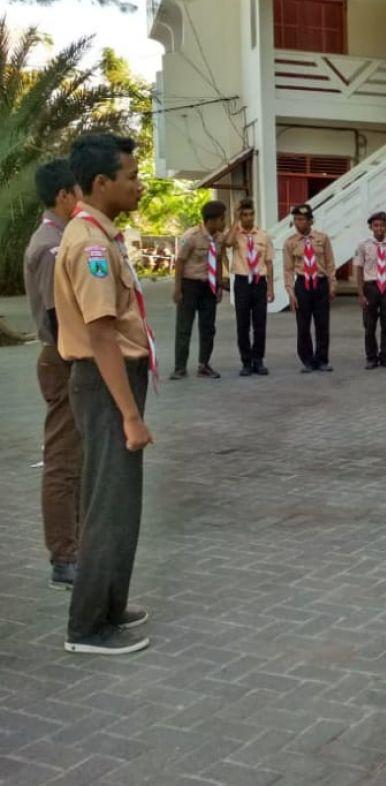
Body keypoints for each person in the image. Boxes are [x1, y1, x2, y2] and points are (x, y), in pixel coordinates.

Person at [54, 133, 155, 655]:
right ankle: (88, 627)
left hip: (109, 381)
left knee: (120, 502)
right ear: (101, 183)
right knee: (107, 504)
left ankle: (111, 605)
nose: (139, 185)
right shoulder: (91, 245)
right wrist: (130, 415)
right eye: (131, 177)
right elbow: (100, 335)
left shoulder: (100, 234)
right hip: (105, 382)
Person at [23, 159, 83, 590]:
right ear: (64, 196)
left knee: (77, 458)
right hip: (62, 359)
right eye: (78, 191)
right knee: (62, 461)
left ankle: (77, 544)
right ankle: (64, 556)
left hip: (67, 357)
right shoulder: (50, 246)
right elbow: (57, 315)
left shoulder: (62, 238)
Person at [171, 200, 228, 379]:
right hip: (189, 285)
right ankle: (180, 367)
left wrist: (219, 286)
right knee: (184, 327)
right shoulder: (191, 236)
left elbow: (218, 260)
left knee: (208, 327)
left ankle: (204, 365)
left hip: (208, 287)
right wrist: (177, 289)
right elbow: (180, 262)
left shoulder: (219, 238)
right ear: (211, 220)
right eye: (222, 219)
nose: (224, 222)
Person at [224, 198, 274, 376]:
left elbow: (269, 262)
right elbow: (227, 243)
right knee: (242, 325)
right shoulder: (235, 233)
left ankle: (258, 360)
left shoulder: (263, 235)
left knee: (260, 324)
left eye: (251, 214)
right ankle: (246, 362)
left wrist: (271, 288)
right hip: (242, 282)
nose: (248, 218)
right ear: (240, 216)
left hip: (260, 283)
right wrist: (235, 220)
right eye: (244, 215)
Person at [283, 203, 336, 372]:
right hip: (302, 285)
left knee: (322, 324)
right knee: (303, 325)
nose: (299, 223)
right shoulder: (290, 243)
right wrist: (291, 292)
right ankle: (307, 360)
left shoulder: (323, 239)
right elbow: (288, 269)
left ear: (311, 221)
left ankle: (322, 360)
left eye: (302, 219)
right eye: (296, 219)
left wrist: (332, 284)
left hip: (320, 284)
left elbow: (330, 263)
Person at [354, 210, 386, 369]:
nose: (379, 228)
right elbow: (358, 269)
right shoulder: (363, 245)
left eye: (382, 225)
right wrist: (360, 293)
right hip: (370, 287)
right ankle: (371, 357)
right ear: (371, 227)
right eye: (376, 225)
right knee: (369, 325)